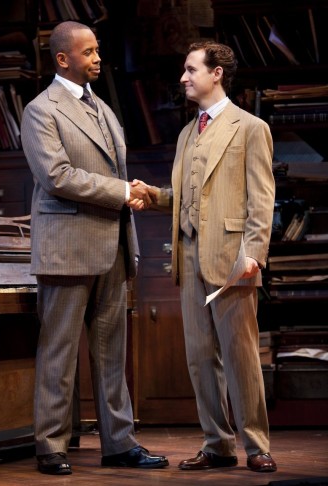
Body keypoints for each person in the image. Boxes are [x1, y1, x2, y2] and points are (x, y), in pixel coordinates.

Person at [21, 21, 168, 475]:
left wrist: (130, 193)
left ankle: (119, 443)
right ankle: (50, 445)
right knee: (59, 351)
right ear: (63, 58)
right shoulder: (41, 110)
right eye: (88, 52)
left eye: (98, 50)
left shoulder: (102, 107)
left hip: (112, 246)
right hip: (67, 247)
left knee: (111, 354)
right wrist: (124, 191)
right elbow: (57, 176)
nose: (98, 58)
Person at [151, 41, 277, 473]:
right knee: (200, 356)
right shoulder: (189, 132)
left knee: (240, 354)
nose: (184, 78)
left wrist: (255, 255)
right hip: (189, 257)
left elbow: (262, 198)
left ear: (217, 72)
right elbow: (188, 197)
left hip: (231, 257)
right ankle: (217, 444)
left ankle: (256, 445)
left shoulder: (249, 127)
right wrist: (152, 196)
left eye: (191, 70)